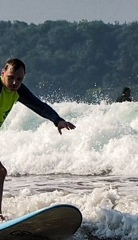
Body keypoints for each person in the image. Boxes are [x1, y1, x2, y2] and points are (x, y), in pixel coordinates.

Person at [0, 58, 76, 220]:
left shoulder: (18, 91)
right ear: (3, 73)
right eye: (11, 77)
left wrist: (57, 120)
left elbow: (39, 106)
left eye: (19, 79)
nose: (14, 82)